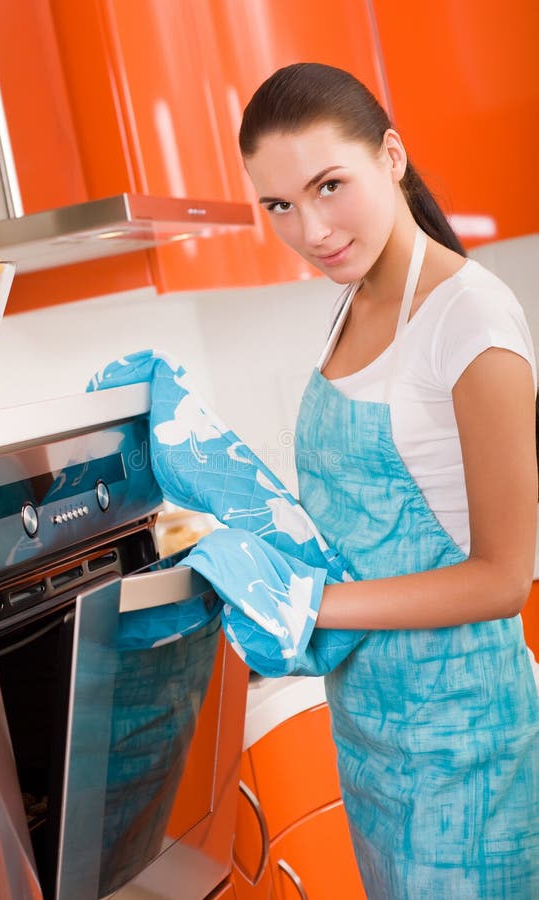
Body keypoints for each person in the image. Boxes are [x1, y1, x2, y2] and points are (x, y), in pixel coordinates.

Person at [239, 62, 539, 898]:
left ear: (393, 158)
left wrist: (312, 604)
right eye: (279, 207)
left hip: (465, 757)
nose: (311, 229)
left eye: (329, 185)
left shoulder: (469, 319)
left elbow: (504, 578)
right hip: (372, 737)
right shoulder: (355, 299)